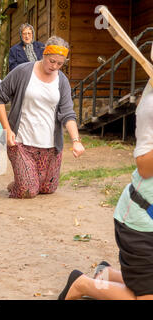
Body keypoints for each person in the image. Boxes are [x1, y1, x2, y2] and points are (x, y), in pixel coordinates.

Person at [58, 65, 153, 301]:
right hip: (142, 224)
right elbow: (145, 166)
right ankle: (83, 285)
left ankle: (107, 274)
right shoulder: (150, 106)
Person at [0, 36, 85, 198]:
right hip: (21, 141)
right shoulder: (22, 71)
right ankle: (20, 184)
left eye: (60, 63)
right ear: (44, 54)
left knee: (48, 188)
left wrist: (76, 141)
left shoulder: (62, 81)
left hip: (50, 145)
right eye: (52, 61)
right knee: (28, 190)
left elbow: (68, 113)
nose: (55, 66)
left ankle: (24, 181)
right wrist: (7, 130)